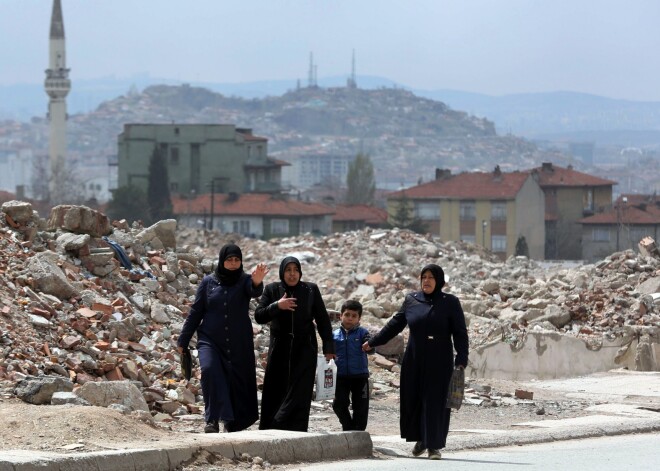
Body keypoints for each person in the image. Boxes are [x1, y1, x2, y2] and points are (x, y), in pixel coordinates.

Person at [363, 264, 468, 460]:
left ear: (439, 281)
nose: (426, 280)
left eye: (431, 277)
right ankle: (421, 438)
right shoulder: (412, 300)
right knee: (415, 399)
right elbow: (395, 324)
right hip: (414, 358)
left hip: (440, 359)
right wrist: (373, 342)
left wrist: (461, 358)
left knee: (436, 402)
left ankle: (433, 446)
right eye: (424, 277)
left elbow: (460, 333)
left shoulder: (450, 302)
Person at [177, 243, 269, 433]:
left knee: (234, 380)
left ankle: (231, 421)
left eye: (237, 260)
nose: (233, 264)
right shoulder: (208, 282)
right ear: (222, 261)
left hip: (238, 342)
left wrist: (257, 282)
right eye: (229, 260)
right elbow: (196, 312)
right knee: (210, 371)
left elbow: (254, 291)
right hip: (210, 340)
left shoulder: (244, 281)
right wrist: (183, 341)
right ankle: (212, 420)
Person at [255, 256, 335, 432]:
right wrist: (277, 306)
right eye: (288, 270)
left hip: (305, 347)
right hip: (279, 347)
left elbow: (323, 320)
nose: (292, 274)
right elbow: (259, 315)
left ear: (300, 272)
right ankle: (271, 427)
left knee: (301, 389)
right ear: (282, 273)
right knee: (275, 387)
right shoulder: (272, 289)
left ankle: (295, 429)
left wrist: (329, 348)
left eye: (295, 270)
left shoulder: (310, 289)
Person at [332, 299, 371, 431]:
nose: (350, 318)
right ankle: (348, 428)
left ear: (359, 318)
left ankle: (358, 433)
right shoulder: (334, 335)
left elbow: (371, 346)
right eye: (347, 314)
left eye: (354, 316)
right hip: (341, 376)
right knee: (338, 404)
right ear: (340, 315)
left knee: (361, 407)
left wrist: (369, 346)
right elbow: (328, 353)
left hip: (360, 376)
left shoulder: (363, 333)